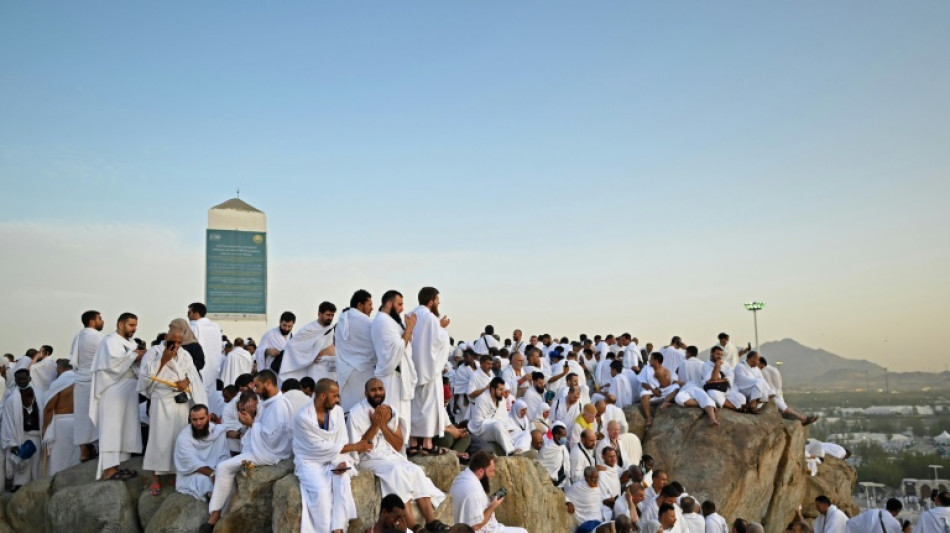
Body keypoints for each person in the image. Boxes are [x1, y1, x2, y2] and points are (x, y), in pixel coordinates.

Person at [348, 378, 449, 532]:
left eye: (380, 389)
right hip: (369, 458)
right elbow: (359, 449)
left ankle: (431, 521)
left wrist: (382, 424)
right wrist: (375, 425)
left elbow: (398, 445)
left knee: (416, 470)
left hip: (390, 455)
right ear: (366, 393)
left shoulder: (390, 411)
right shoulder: (356, 413)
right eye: (373, 390)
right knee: (396, 471)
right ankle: (414, 526)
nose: (378, 393)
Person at [200, 370, 295, 532]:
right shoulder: (270, 402)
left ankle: (213, 518)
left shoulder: (278, 406)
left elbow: (273, 439)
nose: (256, 390)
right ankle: (219, 511)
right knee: (236, 467)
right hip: (262, 448)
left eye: (258, 386)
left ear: (269, 384)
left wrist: (251, 423)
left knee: (223, 467)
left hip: (270, 453)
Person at [293, 378, 371, 533]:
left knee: (341, 482)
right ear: (322, 396)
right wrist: (356, 446)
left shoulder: (338, 411)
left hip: (335, 458)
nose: (338, 399)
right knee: (322, 493)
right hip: (310, 461)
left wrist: (340, 462)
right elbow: (320, 448)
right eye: (334, 396)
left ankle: (338, 529)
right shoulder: (303, 418)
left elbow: (341, 440)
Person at [138, 327, 208, 495]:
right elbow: (145, 376)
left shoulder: (185, 354)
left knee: (179, 438)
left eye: (179, 342)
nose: (176, 345)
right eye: (172, 341)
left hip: (180, 401)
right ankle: (155, 477)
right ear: (165, 337)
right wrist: (164, 359)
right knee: (158, 438)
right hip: (161, 400)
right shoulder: (154, 352)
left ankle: (176, 473)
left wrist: (186, 381)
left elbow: (192, 373)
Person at [90, 312, 146, 480]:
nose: (134, 329)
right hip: (113, 389)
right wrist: (136, 355)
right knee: (112, 428)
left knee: (124, 428)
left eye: (135, 325)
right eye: (131, 325)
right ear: (120, 324)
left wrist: (139, 356)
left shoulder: (128, 343)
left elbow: (132, 364)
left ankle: (117, 467)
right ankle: (108, 470)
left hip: (127, 391)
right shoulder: (109, 341)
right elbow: (113, 364)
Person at [371, 290, 418, 444]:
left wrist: (408, 328)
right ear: (389, 304)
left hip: (399, 378)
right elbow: (398, 348)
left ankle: (401, 450)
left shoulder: (390, 321)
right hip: (390, 378)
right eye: (399, 304)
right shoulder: (383, 321)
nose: (402, 308)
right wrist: (410, 327)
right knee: (392, 417)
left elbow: (405, 342)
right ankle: (392, 449)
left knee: (402, 417)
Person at [410, 286, 452, 455]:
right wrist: (442, 327)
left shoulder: (410, 315)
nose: (439, 302)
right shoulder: (431, 318)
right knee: (429, 406)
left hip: (412, 370)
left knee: (413, 405)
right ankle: (427, 444)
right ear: (431, 301)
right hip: (429, 369)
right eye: (437, 300)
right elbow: (440, 341)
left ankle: (412, 443)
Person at [450, 450, 527, 533]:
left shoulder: (461, 477)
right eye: (491, 471)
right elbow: (476, 526)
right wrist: (492, 506)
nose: (493, 475)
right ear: (480, 471)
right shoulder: (474, 491)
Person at [69, 310, 106, 462]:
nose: (102, 321)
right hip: (94, 381)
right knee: (98, 416)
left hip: (80, 380)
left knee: (82, 417)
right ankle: (100, 449)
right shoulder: (98, 337)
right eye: (100, 318)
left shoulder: (77, 337)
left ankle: (84, 451)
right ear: (92, 322)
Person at [174, 404, 230, 502]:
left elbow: (223, 455)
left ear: (208, 417)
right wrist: (212, 474)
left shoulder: (217, 431)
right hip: (194, 473)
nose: (198, 423)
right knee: (204, 481)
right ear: (190, 419)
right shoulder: (183, 437)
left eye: (201, 418)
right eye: (194, 420)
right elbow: (192, 462)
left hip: (216, 470)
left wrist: (220, 472)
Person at [335, 290, 376, 413]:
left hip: (344, 373)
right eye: (369, 304)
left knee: (348, 410)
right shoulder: (366, 322)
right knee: (363, 411)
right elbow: (377, 347)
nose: (372, 308)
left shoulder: (341, 321)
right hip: (363, 373)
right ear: (360, 305)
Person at [2, 369, 43, 488]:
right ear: (15, 381)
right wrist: (12, 444)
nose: (22, 381)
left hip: (37, 437)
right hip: (20, 438)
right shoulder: (11, 400)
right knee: (21, 473)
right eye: (19, 379)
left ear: (30, 379)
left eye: (24, 379)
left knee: (37, 469)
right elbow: (7, 423)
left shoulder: (39, 395)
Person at [279, 302, 337, 382]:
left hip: (329, 368)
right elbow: (292, 345)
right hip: (316, 368)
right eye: (328, 315)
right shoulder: (309, 329)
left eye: (332, 315)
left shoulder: (331, 328)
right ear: (319, 314)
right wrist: (310, 356)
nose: (330, 318)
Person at [42, 359, 80, 476]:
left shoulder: (59, 383)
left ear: (59, 368)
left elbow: (49, 407)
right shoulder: (79, 380)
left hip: (61, 424)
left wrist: (45, 427)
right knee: (74, 456)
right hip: (77, 422)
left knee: (58, 459)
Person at [664, 346, 719, 427]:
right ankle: (702, 404)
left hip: (691, 387)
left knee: (679, 398)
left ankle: (712, 419)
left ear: (688, 353)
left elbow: (674, 377)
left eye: (686, 353)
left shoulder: (683, 363)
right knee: (705, 399)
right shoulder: (702, 363)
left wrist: (678, 382)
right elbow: (706, 378)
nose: (685, 354)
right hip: (694, 387)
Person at [470, 377, 519, 455]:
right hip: (482, 431)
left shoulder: (502, 400)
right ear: (492, 389)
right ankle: (511, 452)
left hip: (499, 428)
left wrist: (507, 428)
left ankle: (522, 451)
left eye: (503, 389)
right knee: (497, 425)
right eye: (500, 390)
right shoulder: (482, 399)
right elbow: (478, 422)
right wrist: (496, 423)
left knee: (521, 432)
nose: (502, 392)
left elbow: (504, 418)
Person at [188, 302, 224, 398]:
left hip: (199, 364)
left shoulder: (192, 327)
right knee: (211, 395)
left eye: (189, 312)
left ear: (196, 314)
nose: (188, 315)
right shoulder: (215, 327)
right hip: (213, 365)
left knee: (198, 395)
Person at [638, 353, 679, 428]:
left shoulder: (666, 371)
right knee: (644, 393)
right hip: (650, 392)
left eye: (651, 359)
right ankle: (649, 418)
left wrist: (660, 377)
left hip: (662, 392)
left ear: (656, 361)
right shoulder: (646, 369)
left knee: (676, 387)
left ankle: (665, 402)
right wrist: (653, 391)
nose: (650, 361)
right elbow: (643, 383)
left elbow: (667, 385)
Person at [537, 423, 571, 488]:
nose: (565, 438)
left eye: (565, 435)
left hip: (562, 480)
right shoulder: (546, 448)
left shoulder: (562, 446)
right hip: (550, 483)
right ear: (556, 436)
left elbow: (566, 462)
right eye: (563, 435)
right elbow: (541, 465)